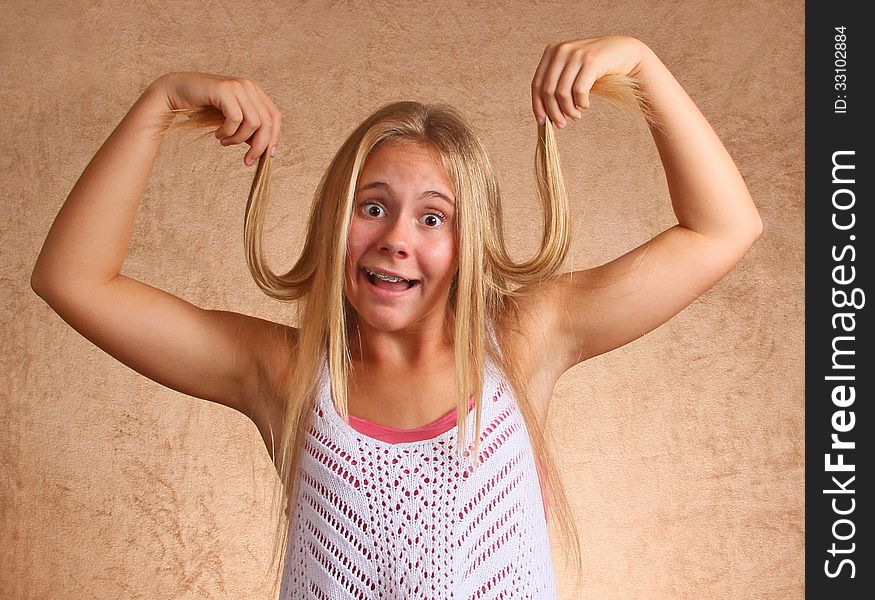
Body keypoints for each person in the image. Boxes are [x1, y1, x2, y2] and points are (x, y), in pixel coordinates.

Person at [30, 35, 762, 598]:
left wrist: (639, 62)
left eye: (433, 218)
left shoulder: (522, 338)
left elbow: (721, 229)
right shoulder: (281, 370)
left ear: (469, 238)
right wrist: (159, 104)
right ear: (330, 220)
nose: (395, 239)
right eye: (371, 206)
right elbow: (73, 279)